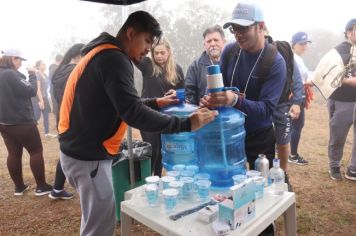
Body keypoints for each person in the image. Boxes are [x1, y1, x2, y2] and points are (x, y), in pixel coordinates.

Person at [58, 11, 217, 236]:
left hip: (79, 153)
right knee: (99, 227)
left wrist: (155, 102)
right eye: (147, 41)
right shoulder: (114, 58)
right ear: (131, 33)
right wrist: (185, 124)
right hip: (88, 157)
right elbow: (132, 112)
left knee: (94, 218)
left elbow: (122, 103)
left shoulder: (101, 53)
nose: (148, 49)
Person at [201, 2, 286, 170]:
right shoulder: (230, 51)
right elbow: (217, 84)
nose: (238, 34)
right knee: (229, 183)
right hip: (228, 129)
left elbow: (266, 110)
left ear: (260, 26)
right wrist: (208, 98)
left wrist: (234, 100)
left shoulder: (275, 62)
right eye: (234, 29)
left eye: (243, 28)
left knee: (261, 187)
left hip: (259, 135)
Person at [0, 48, 53, 196]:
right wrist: (32, 75)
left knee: (13, 153)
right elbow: (30, 91)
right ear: (12, 59)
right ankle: (41, 186)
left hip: (4, 122)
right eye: (19, 60)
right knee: (36, 151)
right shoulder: (11, 74)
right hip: (21, 120)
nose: (20, 64)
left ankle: (19, 187)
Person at [309, 18, 356, 181]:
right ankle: (334, 165)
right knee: (338, 136)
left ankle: (353, 168)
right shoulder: (337, 52)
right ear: (349, 32)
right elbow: (326, 73)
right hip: (342, 101)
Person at [136, 37, 184, 176]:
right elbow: (133, 53)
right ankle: (146, 179)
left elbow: (184, 92)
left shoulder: (177, 69)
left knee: (163, 150)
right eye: (156, 53)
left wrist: (177, 93)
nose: (159, 56)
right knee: (153, 149)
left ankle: (156, 179)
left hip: (167, 116)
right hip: (147, 114)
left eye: (162, 52)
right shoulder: (147, 65)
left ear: (168, 52)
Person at [48, 43, 84, 200]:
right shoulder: (76, 71)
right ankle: (83, 188)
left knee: (66, 152)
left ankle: (57, 188)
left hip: (63, 118)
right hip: (75, 119)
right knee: (76, 154)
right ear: (79, 56)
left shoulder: (59, 72)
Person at [185, 25, 226, 105]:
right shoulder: (195, 66)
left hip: (231, 114)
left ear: (224, 42)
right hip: (205, 112)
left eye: (216, 40)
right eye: (209, 41)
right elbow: (189, 94)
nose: (212, 44)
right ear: (204, 44)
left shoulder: (234, 62)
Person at [289, 32, 312, 165]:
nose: (304, 46)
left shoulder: (298, 58)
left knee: (294, 124)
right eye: (301, 44)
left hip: (299, 94)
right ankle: (293, 155)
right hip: (295, 96)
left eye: (306, 43)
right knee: (297, 124)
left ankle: (289, 151)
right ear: (293, 44)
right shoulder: (293, 58)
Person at [33, 60, 57, 138]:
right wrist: (41, 100)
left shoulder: (45, 75)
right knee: (36, 116)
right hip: (37, 98)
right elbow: (38, 89)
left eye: (45, 64)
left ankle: (47, 133)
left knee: (46, 115)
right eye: (43, 64)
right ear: (38, 66)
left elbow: (46, 88)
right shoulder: (37, 75)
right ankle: (30, 133)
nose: (45, 66)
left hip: (44, 97)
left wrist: (45, 98)